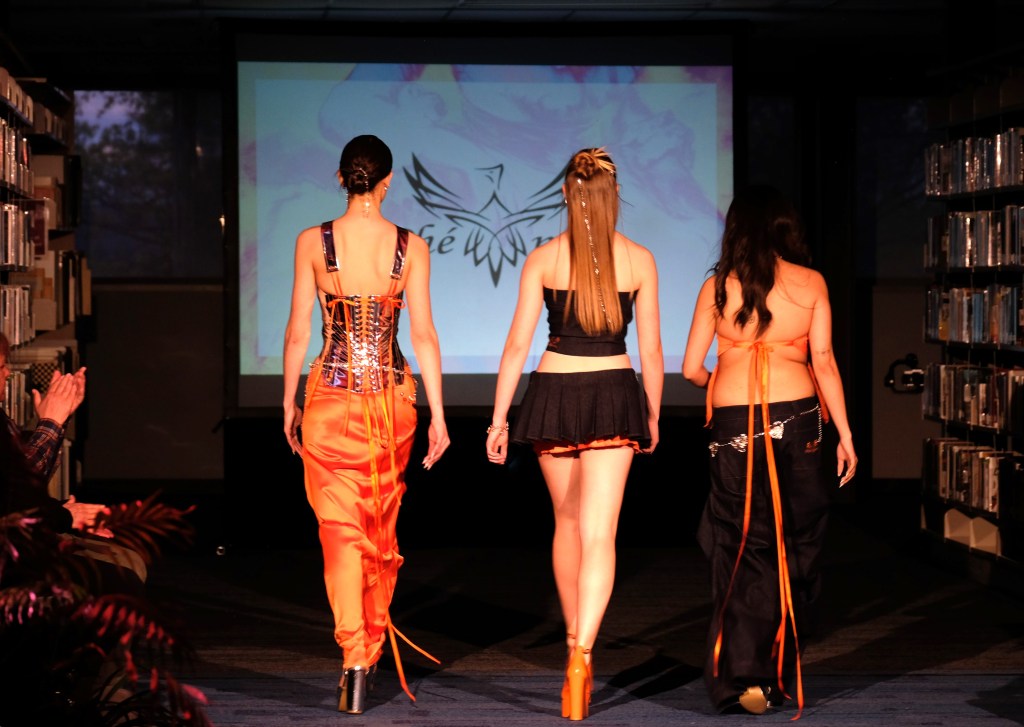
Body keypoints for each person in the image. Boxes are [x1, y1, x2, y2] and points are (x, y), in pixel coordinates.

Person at [485, 148, 662, 721]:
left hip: (555, 393)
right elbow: (652, 351)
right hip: (614, 391)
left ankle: (571, 644)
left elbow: (516, 345)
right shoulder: (640, 259)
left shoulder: (543, 258)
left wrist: (498, 419)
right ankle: (583, 652)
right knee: (599, 533)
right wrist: (653, 414)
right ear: (615, 196)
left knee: (566, 524)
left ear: (565, 193)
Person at [282, 134, 449, 715]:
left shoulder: (312, 241)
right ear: (387, 180)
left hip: (328, 404)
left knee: (340, 533)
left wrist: (288, 401)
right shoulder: (411, 246)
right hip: (390, 406)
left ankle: (356, 656)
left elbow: (298, 332)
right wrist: (440, 415)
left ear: (341, 178)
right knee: (377, 532)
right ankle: (366, 649)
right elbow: (423, 334)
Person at [682, 185, 857, 716]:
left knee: (740, 543)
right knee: (796, 540)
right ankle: (777, 671)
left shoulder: (718, 288)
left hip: (735, 425)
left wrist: (727, 375)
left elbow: (690, 369)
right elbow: (824, 361)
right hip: (798, 420)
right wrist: (846, 435)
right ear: (786, 228)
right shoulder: (811, 282)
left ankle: (743, 679)